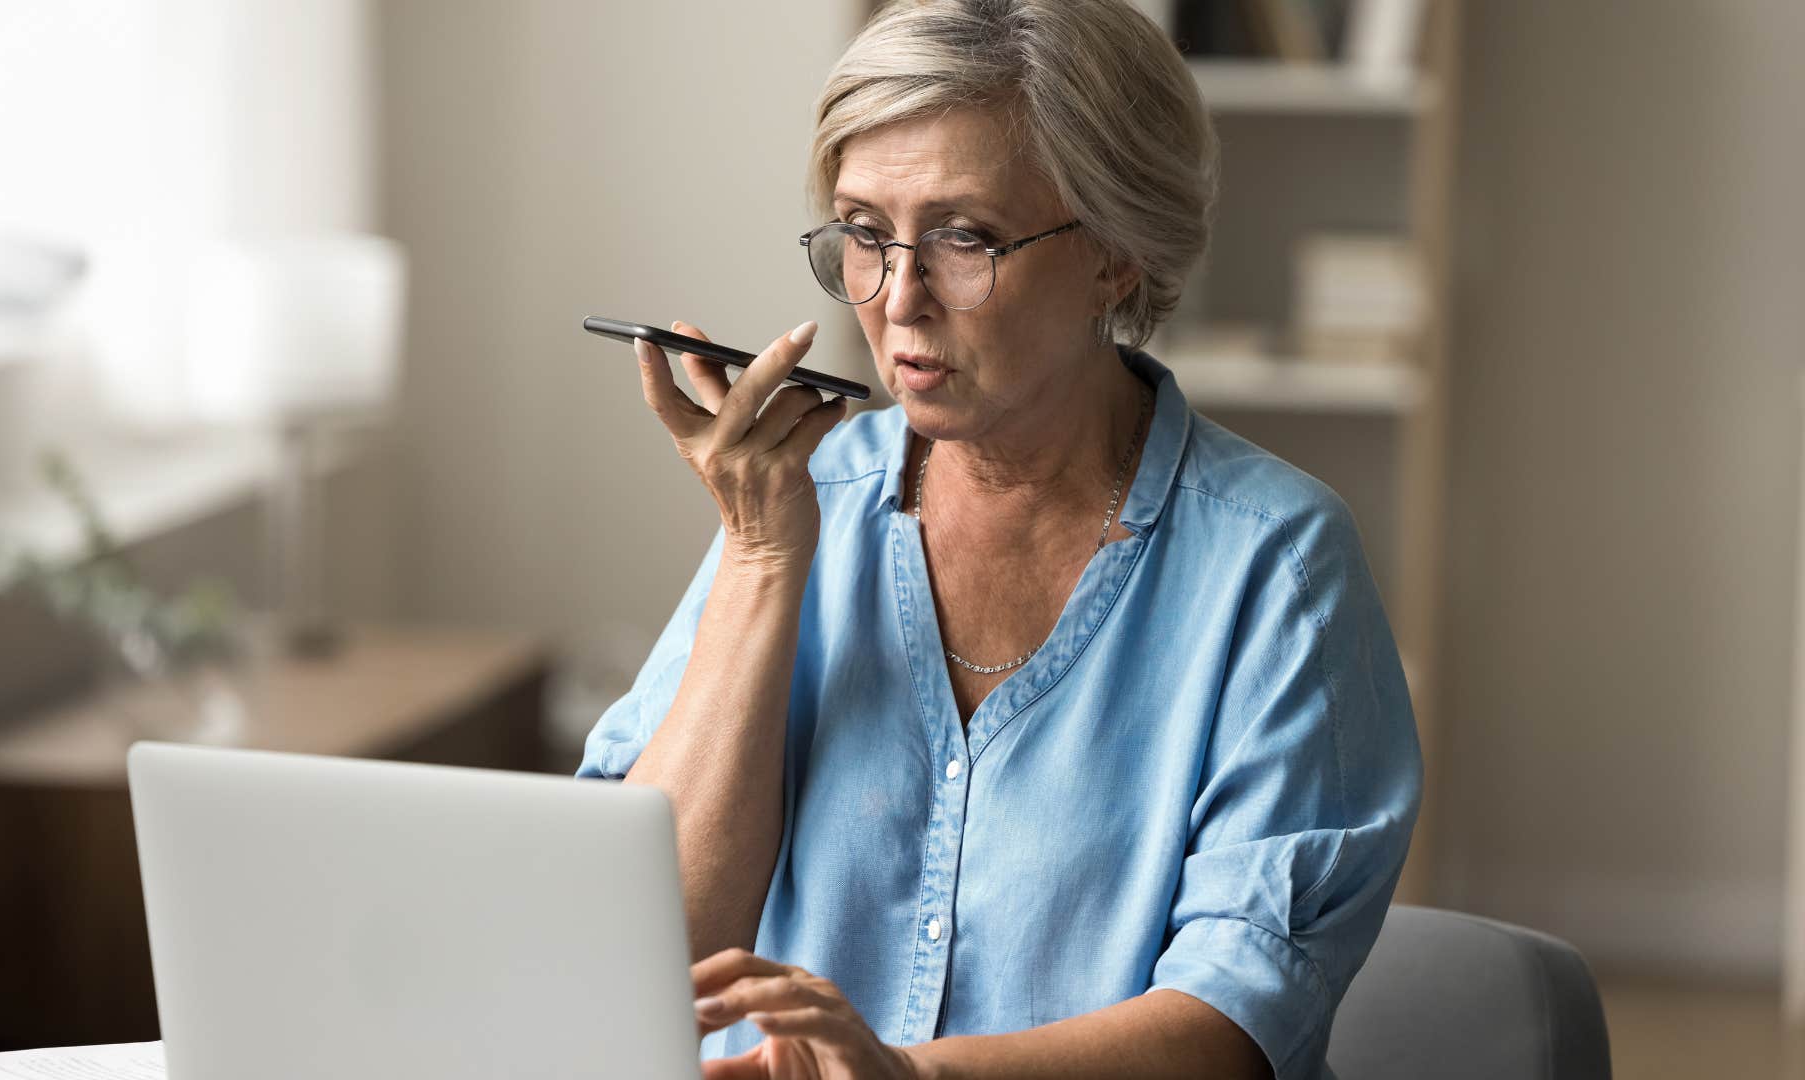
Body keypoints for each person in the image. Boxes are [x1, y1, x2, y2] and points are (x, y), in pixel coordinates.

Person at [579, 1, 1421, 1076]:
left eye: (964, 238)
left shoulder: (1276, 567)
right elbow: (648, 958)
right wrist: (759, 562)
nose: (897, 301)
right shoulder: (797, 500)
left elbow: (1232, 1026)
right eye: (864, 235)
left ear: (1116, 251)